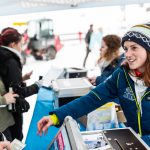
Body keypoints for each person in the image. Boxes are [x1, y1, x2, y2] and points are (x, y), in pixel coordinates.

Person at [37, 23, 150, 146]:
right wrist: (56, 117)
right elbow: (92, 99)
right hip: (134, 141)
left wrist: (141, 142)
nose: (127, 54)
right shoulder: (122, 76)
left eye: (134, 48)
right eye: (126, 49)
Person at [0, 28, 41, 141]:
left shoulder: (3, 56)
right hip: (7, 115)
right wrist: (37, 86)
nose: (21, 48)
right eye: (21, 44)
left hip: (6, 116)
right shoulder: (10, 60)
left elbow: (6, 82)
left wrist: (20, 78)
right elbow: (17, 92)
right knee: (14, 141)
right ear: (13, 44)